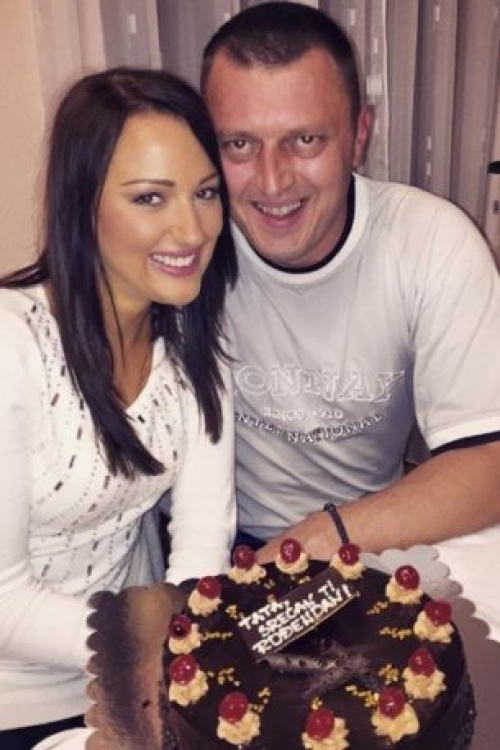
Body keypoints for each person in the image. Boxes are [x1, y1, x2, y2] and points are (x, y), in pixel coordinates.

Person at [201, 3, 500, 614]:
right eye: (240, 144)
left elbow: (490, 462)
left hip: (371, 535)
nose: (273, 181)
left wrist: (321, 538)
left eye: (305, 140)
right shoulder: (187, 245)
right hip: (214, 543)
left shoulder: (431, 241)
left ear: (360, 134)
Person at [0, 66, 237, 749]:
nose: (191, 229)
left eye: (205, 192)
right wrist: (156, 647)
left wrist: (181, 654)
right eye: (150, 198)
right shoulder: (13, 348)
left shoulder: (196, 347)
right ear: (83, 204)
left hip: (141, 671)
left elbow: (202, 544)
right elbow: (4, 602)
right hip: (17, 695)